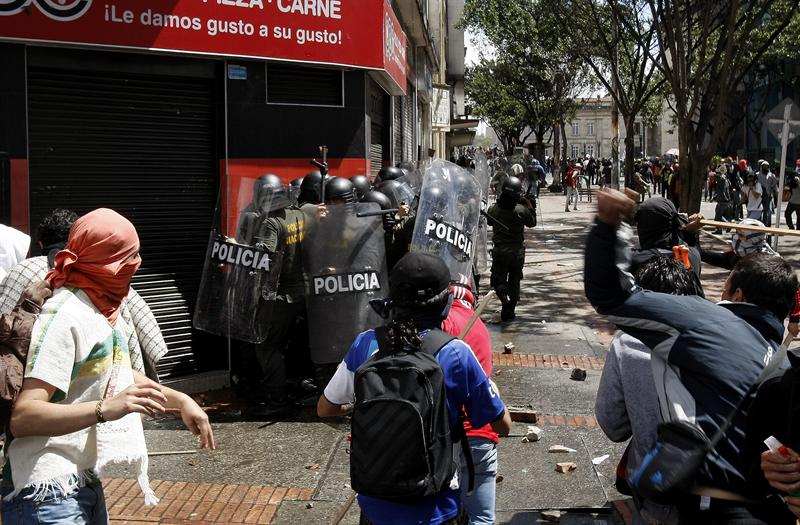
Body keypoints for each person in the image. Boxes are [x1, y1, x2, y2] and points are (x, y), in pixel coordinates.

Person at [585, 188, 797, 524]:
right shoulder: (787, 364)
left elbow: (610, 294)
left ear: (736, 295)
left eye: (724, 288)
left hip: (708, 510)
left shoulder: (709, 321)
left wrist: (610, 224)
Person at [2, 208, 214, 524]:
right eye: (131, 257)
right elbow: (24, 416)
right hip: (45, 490)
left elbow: (115, 373)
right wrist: (106, 408)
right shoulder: (64, 317)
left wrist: (181, 401)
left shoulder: (99, 309)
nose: (137, 264)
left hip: (82, 480)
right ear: (108, 265)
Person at [317, 252, 511, 525]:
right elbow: (502, 425)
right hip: (436, 508)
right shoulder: (456, 353)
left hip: (375, 506)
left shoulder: (365, 344)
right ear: (445, 305)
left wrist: (358, 406)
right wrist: (492, 392)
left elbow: (326, 408)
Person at [596, 256, 704, 525]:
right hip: (721, 488)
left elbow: (613, 425)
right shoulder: (724, 339)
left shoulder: (628, 343)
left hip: (657, 485)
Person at [0, 209, 167, 378]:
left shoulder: (26, 270)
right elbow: (29, 403)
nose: (137, 262)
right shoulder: (105, 285)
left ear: (41, 244)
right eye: (132, 255)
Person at [441, 276, 498, 525]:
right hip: (481, 436)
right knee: (482, 518)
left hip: (444, 438)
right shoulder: (480, 327)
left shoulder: (441, 324)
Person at [486, 176, 536, 322]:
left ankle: (505, 301)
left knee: (497, 281)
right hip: (516, 253)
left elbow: (489, 221)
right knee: (515, 281)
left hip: (500, 251)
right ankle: (510, 309)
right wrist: (529, 206)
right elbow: (532, 223)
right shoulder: (521, 210)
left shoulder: (494, 209)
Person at [757, 161, 778, 227]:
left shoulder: (772, 175)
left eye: (767, 166)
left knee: (768, 212)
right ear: (761, 167)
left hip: (768, 196)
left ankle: (767, 226)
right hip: (759, 196)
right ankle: (759, 226)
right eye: (764, 166)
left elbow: (775, 187)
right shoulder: (757, 175)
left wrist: (776, 198)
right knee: (759, 211)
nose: (765, 168)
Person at [784, 164, 800, 229]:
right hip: (792, 202)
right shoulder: (791, 181)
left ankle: (798, 229)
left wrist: (799, 182)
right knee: (787, 214)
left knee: (799, 217)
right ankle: (791, 227)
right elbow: (789, 189)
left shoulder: (798, 181)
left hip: (799, 203)